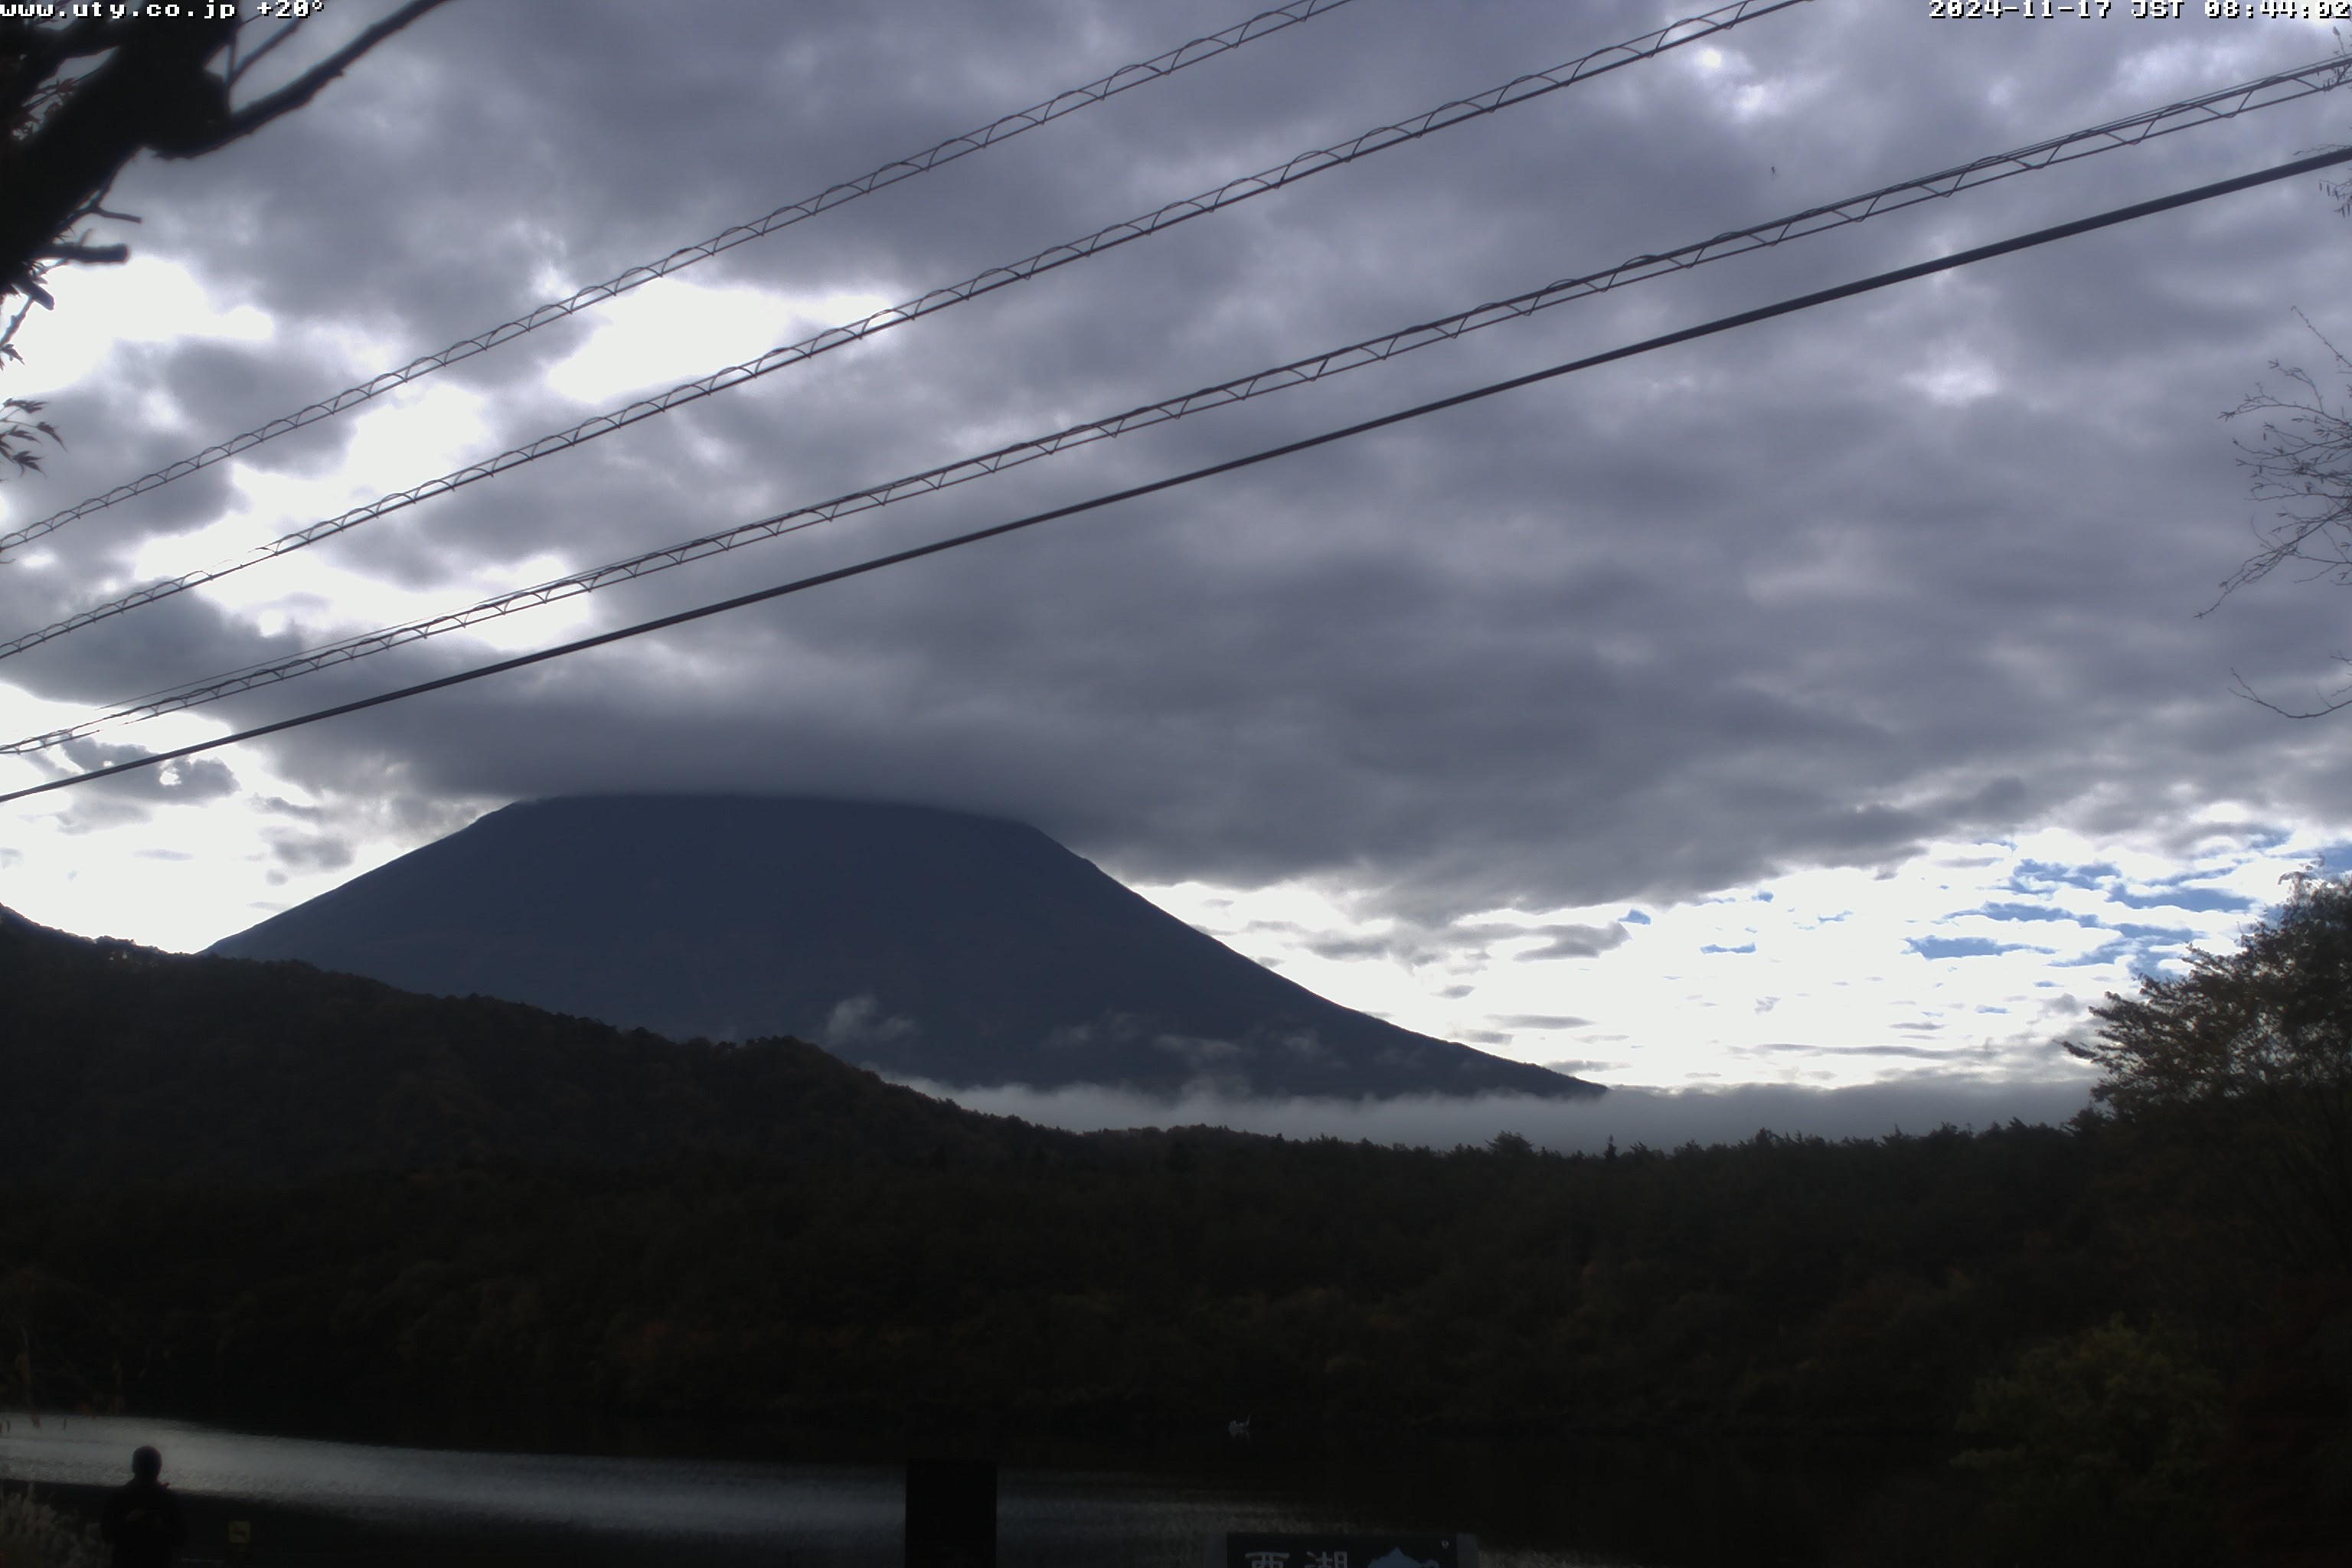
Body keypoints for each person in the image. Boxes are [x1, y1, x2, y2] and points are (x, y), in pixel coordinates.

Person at [100, 1446, 185, 1568]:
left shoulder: (118, 1497)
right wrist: (161, 1527)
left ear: (133, 1467)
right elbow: (180, 1539)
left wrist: (127, 1523)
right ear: (159, 1469)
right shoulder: (169, 1499)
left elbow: (106, 1534)